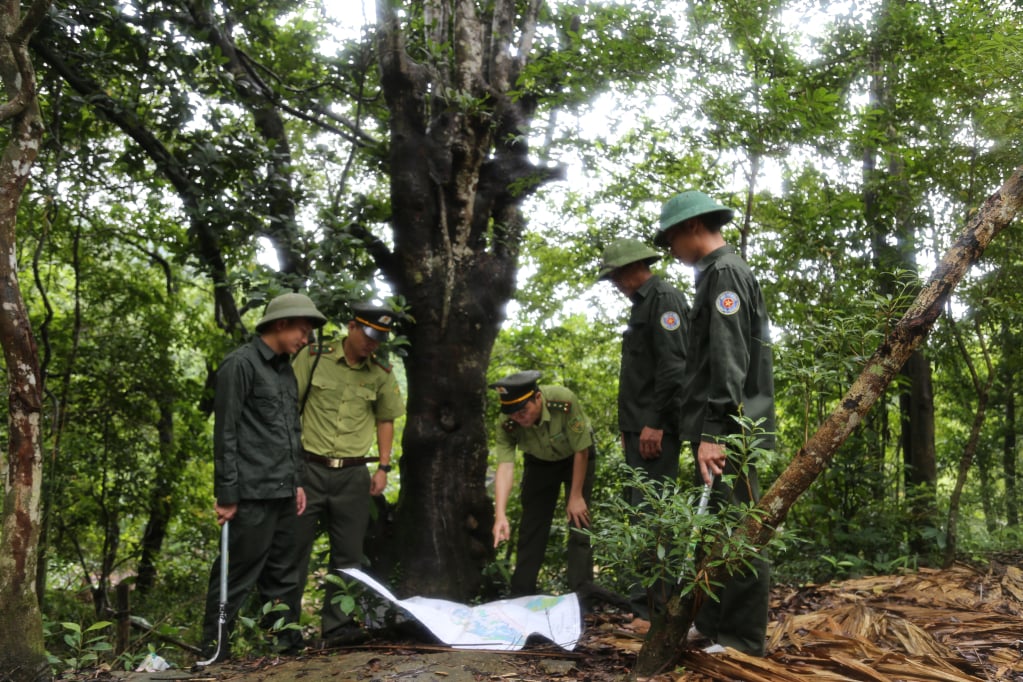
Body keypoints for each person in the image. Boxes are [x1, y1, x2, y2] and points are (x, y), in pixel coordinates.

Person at [654, 190, 775, 656]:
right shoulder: (715, 273)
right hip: (721, 427)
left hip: (730, 431)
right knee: (713, 528)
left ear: (691, 227)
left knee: (740, 529)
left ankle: (742, 638)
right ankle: (711, 625)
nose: (671, 251)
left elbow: (730, 360)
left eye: (670, 239)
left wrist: (714, 432)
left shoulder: (724, 272)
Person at [200, 292, 327, 661]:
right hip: (251, 494)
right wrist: (227, 493)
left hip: (286, 491)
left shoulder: (285, 369)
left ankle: (287, 647)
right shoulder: (239, 365)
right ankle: (215, 649)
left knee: (285, 575)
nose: (306, 340)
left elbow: (290, 431)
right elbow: (225, 432)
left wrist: (298, 481)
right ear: (281, 323)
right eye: (303, 331)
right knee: (234, 577)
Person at [288, 303, 406, 645]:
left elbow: (386, 419)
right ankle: (285, 629)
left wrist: (383, 467)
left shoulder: (381, 372)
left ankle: (336, 628)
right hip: (308, 468)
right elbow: (289, 404)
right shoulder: (314, 357)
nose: (373, 344)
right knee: (294, 550)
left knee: (349, 555)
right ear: (352, 327)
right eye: (369, 335)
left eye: (379, 338)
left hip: (353, 474)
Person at [597, 238, 688, 617]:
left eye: (617, 275)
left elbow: (674, 367)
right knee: (642, 513)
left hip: (656, 429)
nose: (616, 283)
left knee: (653, 515)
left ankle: (654, 610)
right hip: (639, 429)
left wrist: (654, 423)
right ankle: (648, 607)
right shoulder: (643, 305)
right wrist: (630, 428)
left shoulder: (664, 299)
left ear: (635, 268)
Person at [490, 370, 595, 597]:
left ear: (538, 398)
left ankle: (582, 595)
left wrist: (575, 496)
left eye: (523, 411)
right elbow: (505, 465)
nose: (519, 418)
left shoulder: (563, 401)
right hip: (539, 463)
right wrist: (500, 515)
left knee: (580, 523)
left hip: (576, 458)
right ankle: (521, 595)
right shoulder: (506, 422)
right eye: (513, 414)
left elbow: (582, 450)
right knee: (532, 526)